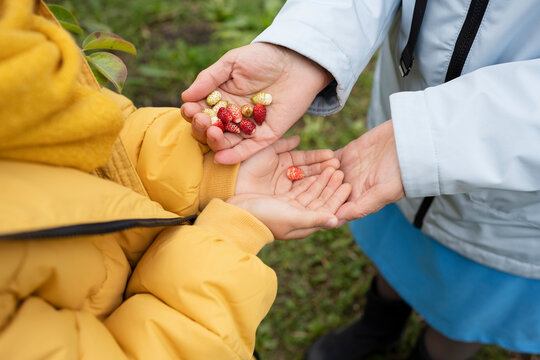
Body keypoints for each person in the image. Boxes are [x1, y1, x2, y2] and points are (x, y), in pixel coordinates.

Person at [181, 0, 540, 359]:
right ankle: (379, 322)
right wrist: (306, 49)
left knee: (466, 304)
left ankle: (437, 351)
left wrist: (427, 138)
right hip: (398, 130)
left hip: (510, 209)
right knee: (400, 254)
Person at [0, 1, 352, 358]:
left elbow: (94, 138)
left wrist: (210, 175)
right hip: (193, 320)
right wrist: (227, 238)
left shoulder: (13, 35)